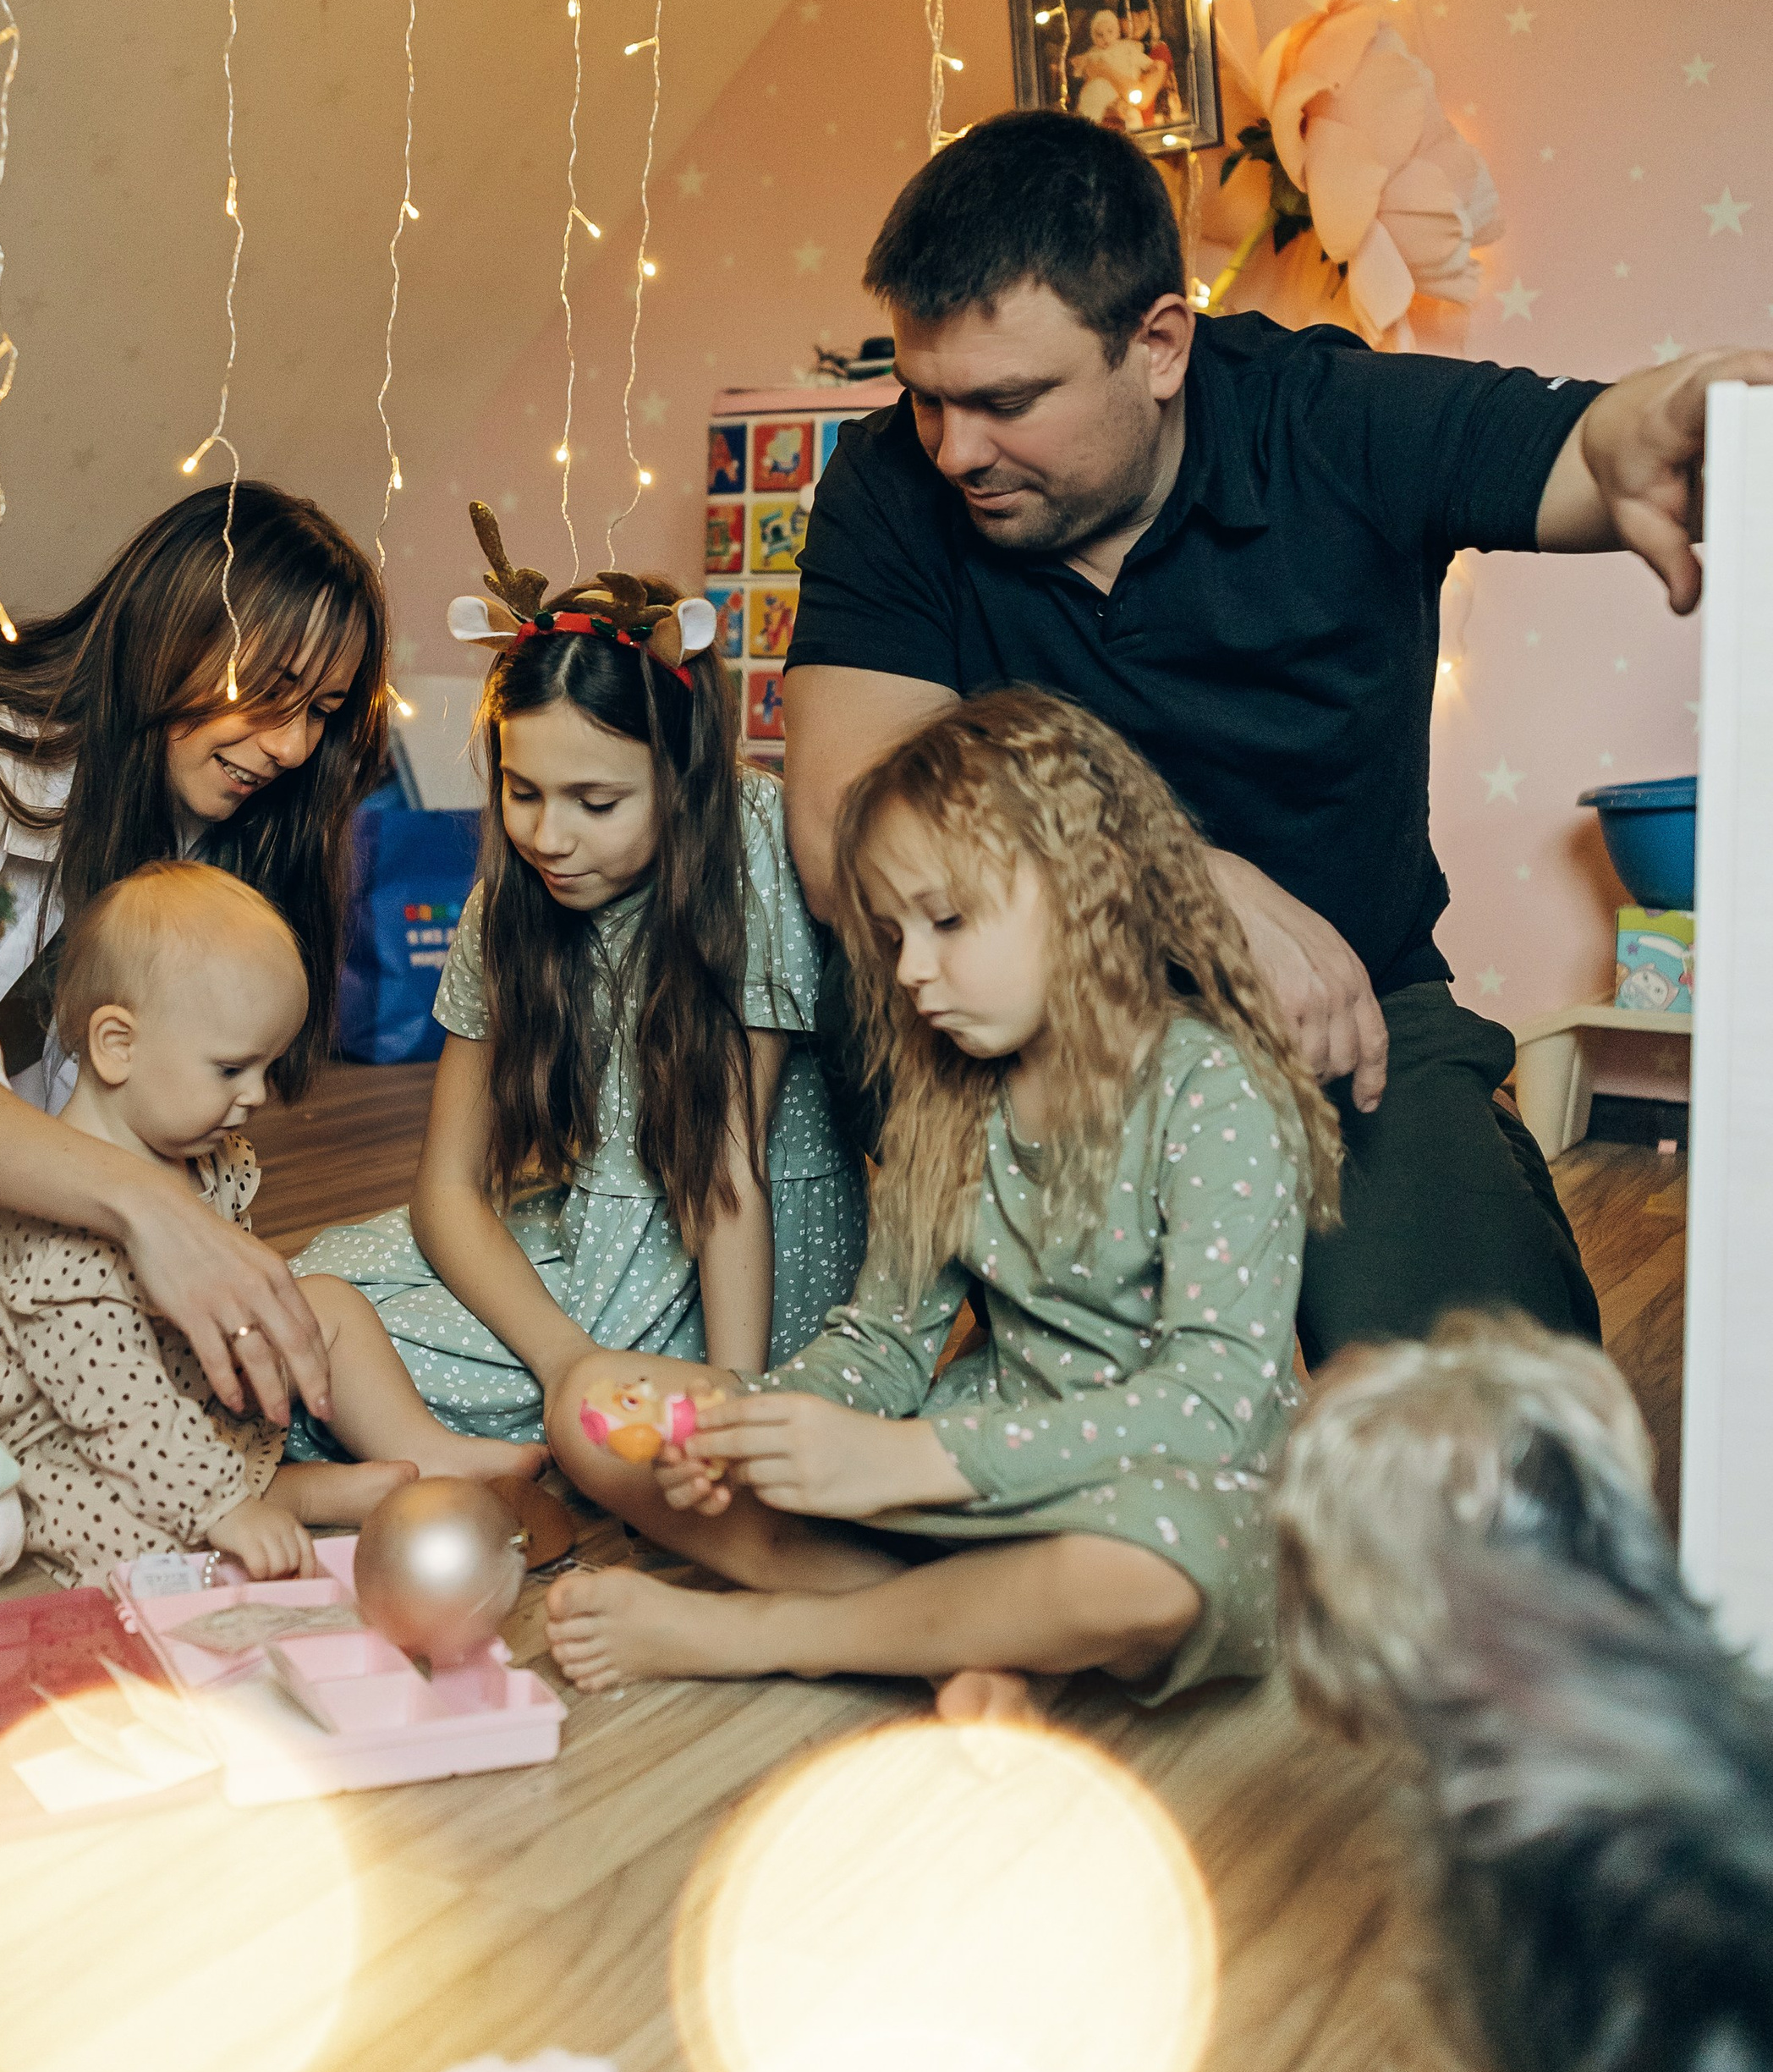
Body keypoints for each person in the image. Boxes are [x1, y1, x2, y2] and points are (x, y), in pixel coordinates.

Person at [781, 107, 1773, 1360]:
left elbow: (1574, 448)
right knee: (1112, 1428)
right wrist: (1168, 878)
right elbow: (840, 828)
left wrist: (1623, 434)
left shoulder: (1328, 414)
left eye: (1006, 401)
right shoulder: (892, 481)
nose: (954, 448)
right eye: (923, 398)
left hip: (1350, 1027)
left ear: (1157, 345)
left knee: (1472, 1432)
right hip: (1037, 1034)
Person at [541, 690, 1337, 1705]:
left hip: (1160, 1490)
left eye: (947, 920)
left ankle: (779, 1630)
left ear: (1082, 887)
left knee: (1139, 1573)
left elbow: (1210, 1406)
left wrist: (904, 1460)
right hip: (966, 1462)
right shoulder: (950, 1094)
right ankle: (975, 1640)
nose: (911, 970)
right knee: (597, 1410)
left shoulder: (1214, 1092)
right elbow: (882, 1344)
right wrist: (763, 1425)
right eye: (892, 933)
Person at [0, 481, 387, 1424]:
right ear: (169, 636)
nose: (291, 745)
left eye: (320, 709)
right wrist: (148, 1212)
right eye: (270, 693)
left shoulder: (197, 814)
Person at [285, 530, 865, 1447]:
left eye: (596, 803)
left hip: (731, 1274)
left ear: (682, 781)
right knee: (300, 1306)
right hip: (583, 1238)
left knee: (327, 1372)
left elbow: (724, 1179)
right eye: (522, 791)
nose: (549, 836)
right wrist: (563, 1363)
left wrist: (731, 1410)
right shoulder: (512, 890)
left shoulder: (747, 842)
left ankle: (435, 1448)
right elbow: (447, 1188)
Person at [0, 862, 546, 1585]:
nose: (258, 1094)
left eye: (266, 1065)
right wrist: (224, 1507)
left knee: (323, 1301)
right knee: (121, 1532)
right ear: (117, 1045)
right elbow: (120, 1414)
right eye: (231, 1069)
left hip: (181, 1383)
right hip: (66, 1438)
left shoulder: (204, 1155)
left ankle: (424, 1448)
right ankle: (277, 1493)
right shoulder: (58, 1239)